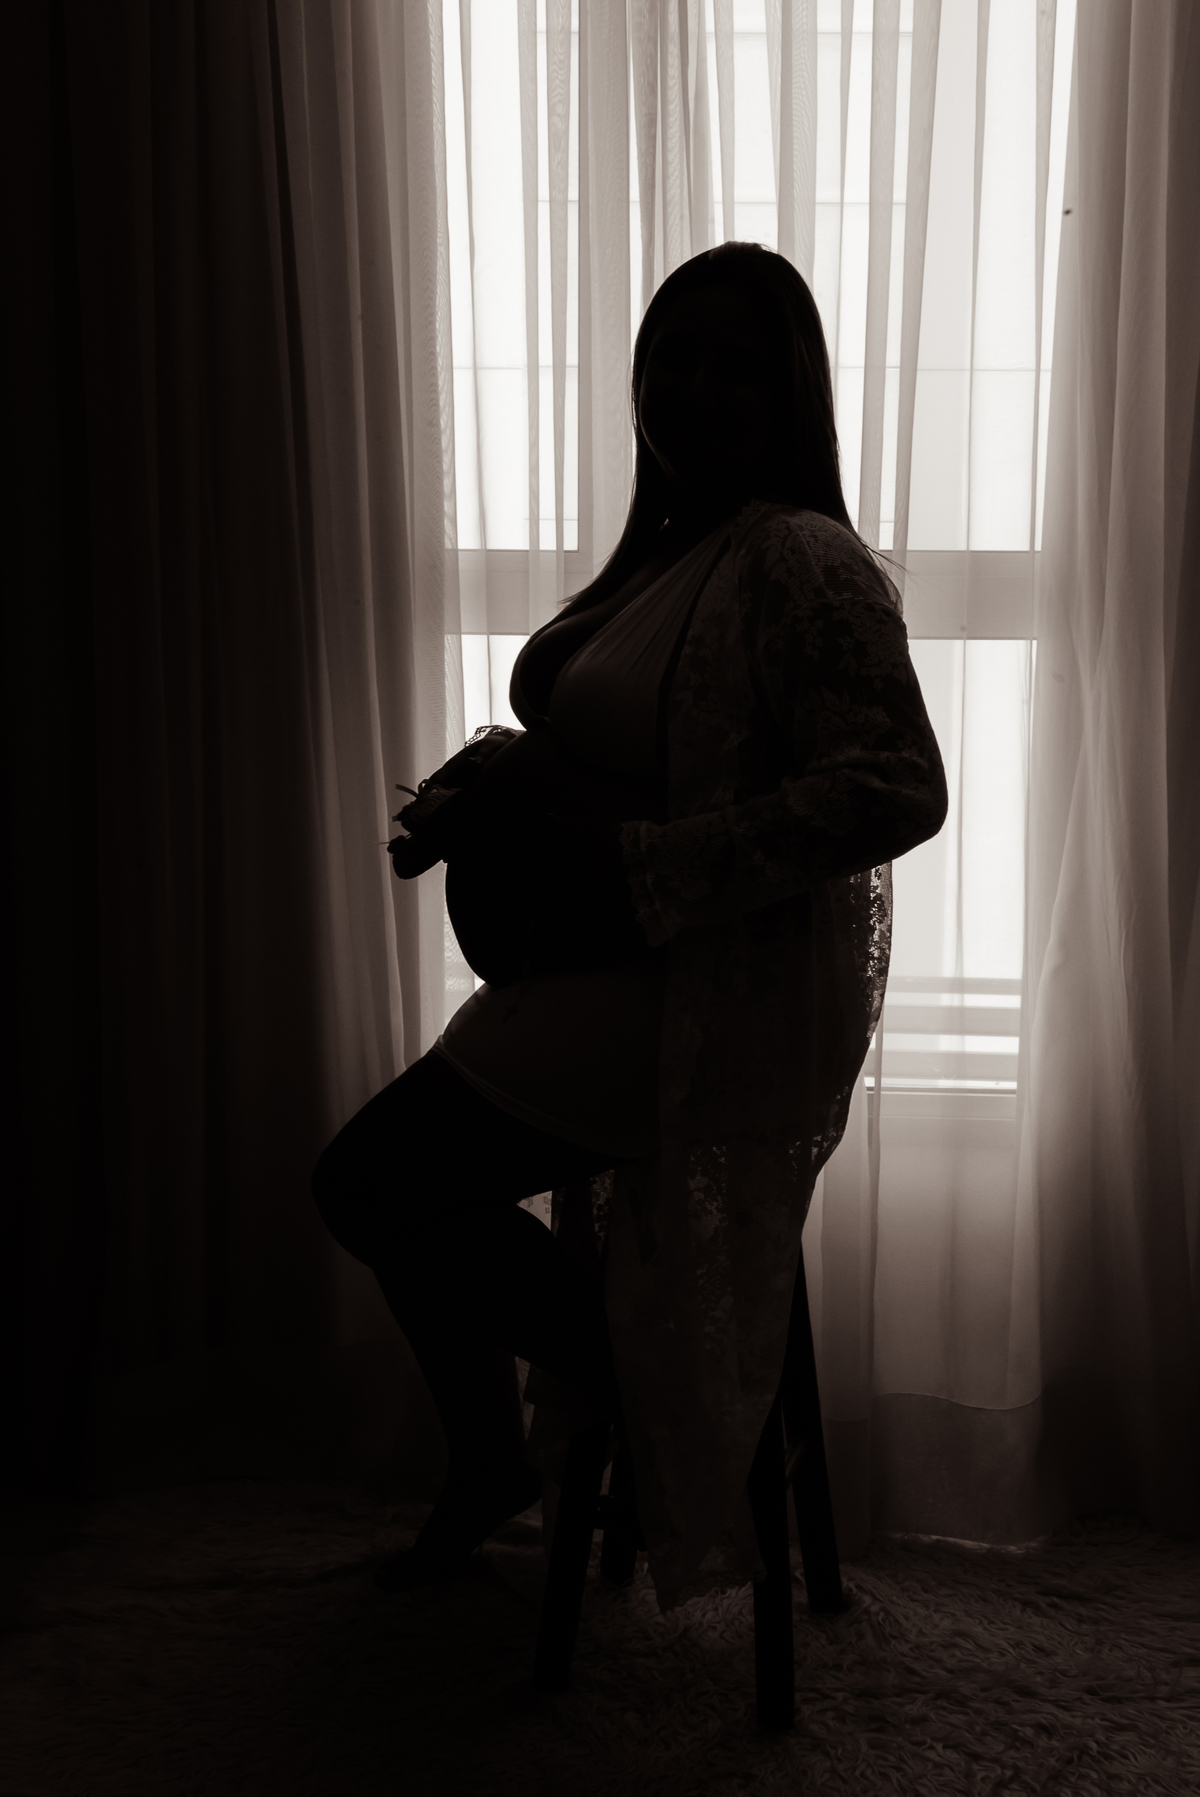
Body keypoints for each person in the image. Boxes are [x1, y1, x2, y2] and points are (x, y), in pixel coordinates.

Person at [312, 242, 948, 1606]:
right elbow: (640, 748)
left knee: (372, 1180)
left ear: (793, 394)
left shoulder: (802, 557)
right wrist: (492, 787)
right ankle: (505, 1452)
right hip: (605, 977)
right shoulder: (673, 553)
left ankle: (665, 1386)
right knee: (389, 1182)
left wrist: (640, 863)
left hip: (702, 1001)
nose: (699, 387)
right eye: (677, 358)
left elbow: (896, 786)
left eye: (738, 365)